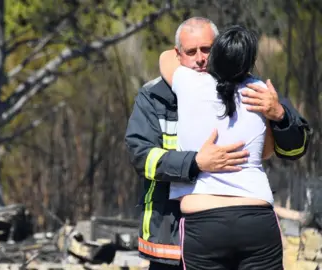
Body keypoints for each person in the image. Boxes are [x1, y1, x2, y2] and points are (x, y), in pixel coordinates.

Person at [125, 17, 311, 270]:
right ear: (178, 54)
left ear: (221, 49)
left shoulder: (258, 94)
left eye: (207, 49)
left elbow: (294, 148)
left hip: (207, 229)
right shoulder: (154, 97)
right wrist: (194, 162)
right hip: (169, 236)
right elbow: (140, 156)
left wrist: (280, 114)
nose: (200, 59)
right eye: (191, 52)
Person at [159, 24, 280, 270]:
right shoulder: (261, 92)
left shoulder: (188, 83)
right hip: (256, 219)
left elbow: (166, 58)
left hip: (203, 222)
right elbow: (266, 151)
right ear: (251, 61)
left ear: (216, 55)